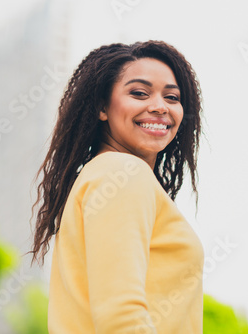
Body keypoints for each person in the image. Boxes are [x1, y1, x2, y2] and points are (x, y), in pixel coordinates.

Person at [30, 40, 205, 333]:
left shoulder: (100, 175)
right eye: (139, 93)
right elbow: (121, 316)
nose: (160, 107)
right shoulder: (122, 172)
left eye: (172, 97)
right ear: (102, 106)